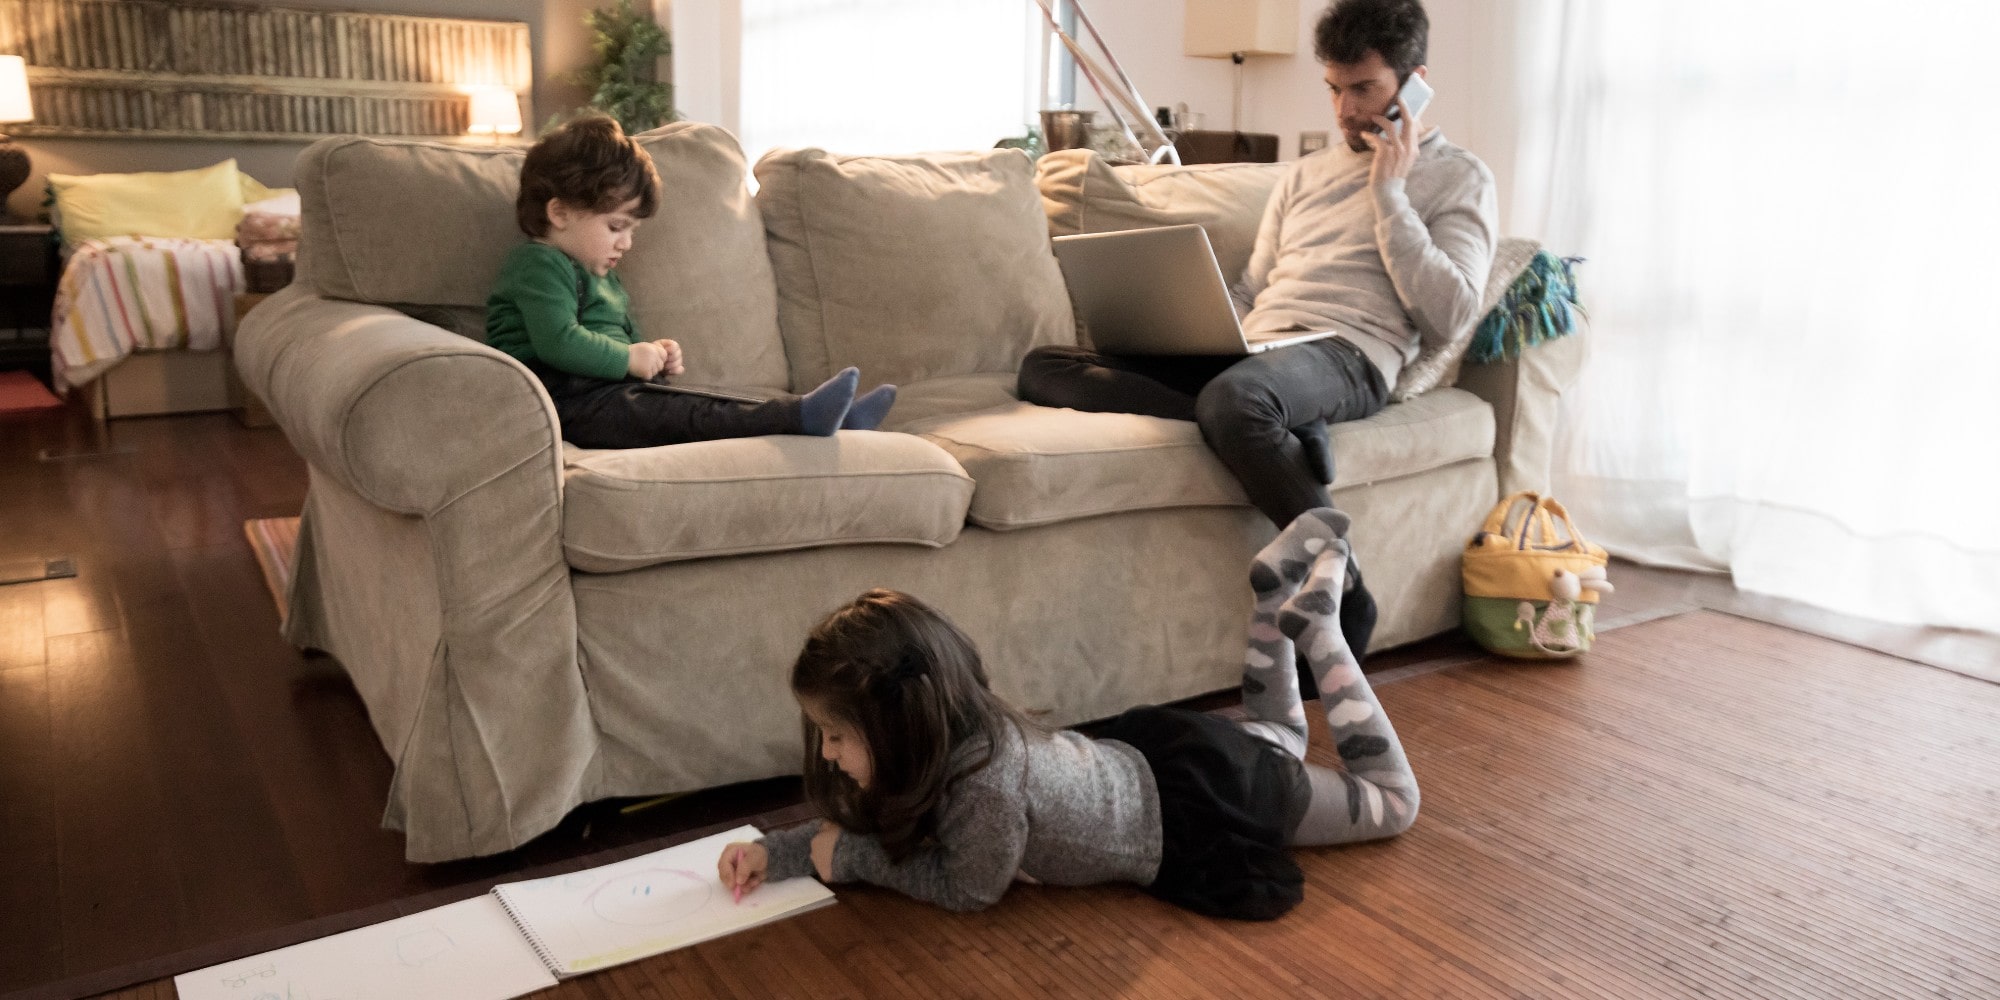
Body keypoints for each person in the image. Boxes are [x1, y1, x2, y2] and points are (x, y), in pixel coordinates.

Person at [717, 508, 1418, 920]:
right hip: (1167, 758)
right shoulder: (951, 736)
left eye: (838, 736)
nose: (829, 752)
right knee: (1285, 740)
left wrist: (855, 860)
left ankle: (1318, 631)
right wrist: (774, 852)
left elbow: (970, 887)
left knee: (1393, 803)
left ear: (901, 725)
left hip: (1197, 809)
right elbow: (869, 821)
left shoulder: (986, 789)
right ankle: (1272, 600)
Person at [1017, 0, 1496, 533]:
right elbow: (1253, 287)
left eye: (1363, 88)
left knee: (1235, 400)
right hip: (1263, 351)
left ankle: (1342, 587)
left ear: (1415, 83)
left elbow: (1451, 316)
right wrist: (1208, 335)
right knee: (1045, 368)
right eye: (1333, 88)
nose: (1342, 110)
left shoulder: (1460, 177)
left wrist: (1389, 194)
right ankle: (1286, 422)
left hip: (1349, 352)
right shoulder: (1304, 174)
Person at [486, 114, 897, 450]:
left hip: (606, 395)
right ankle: (803, 417)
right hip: (566, 405)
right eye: (616, 227)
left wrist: (655, 355)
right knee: (692, 416)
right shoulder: (538, 263)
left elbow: (621, 340)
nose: (625, 243)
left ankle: (829, 418)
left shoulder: (602, 277)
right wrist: (630, 359)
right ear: (559, 213)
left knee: (710, 401)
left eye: (631, 230)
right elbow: (558, 341)